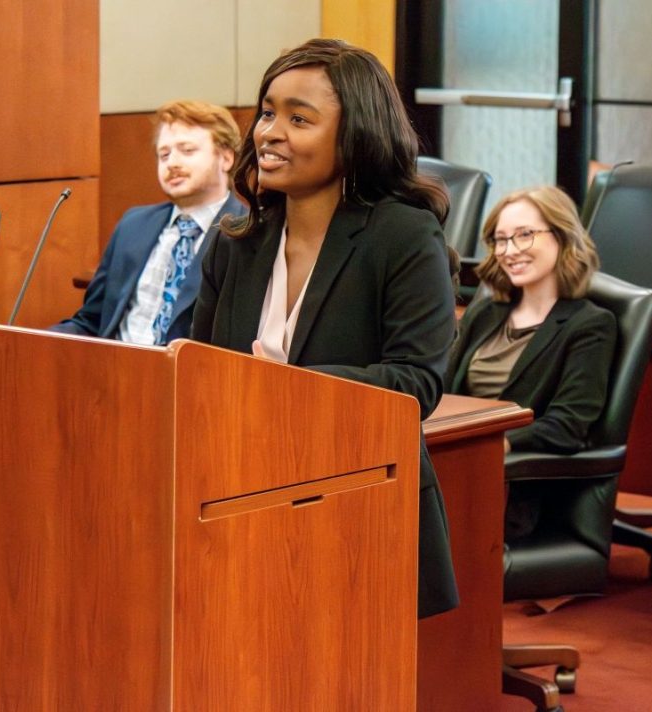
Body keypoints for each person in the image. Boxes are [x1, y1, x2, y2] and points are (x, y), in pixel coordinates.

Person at [190, 39, 459, 619]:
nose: (269, 133)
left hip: (360, 507)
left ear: (355, 134)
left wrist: (292, 387)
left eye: (299, 118)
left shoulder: (404, 236)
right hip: (239, 500)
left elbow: (416, 382)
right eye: (267, 113)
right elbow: (198, 369)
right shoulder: (235, 242)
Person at [446, 185, 616, 539]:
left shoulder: (590, 325)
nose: (510, 251)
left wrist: (499, 443)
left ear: (562, 236)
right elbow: (443, 389)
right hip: (454, 463)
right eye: (501, 240)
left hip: (513, 489)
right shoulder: (486, 312)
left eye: (525, 235)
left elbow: (567, 425)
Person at [52, 100, 246, 344]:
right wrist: (36, 341)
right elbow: (91, 321)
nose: (172, 163)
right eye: (164, 154)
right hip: (115, 361)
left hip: (191, 366)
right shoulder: (133, 225)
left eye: (187, 150)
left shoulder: (248, 233)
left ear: (226, 158)